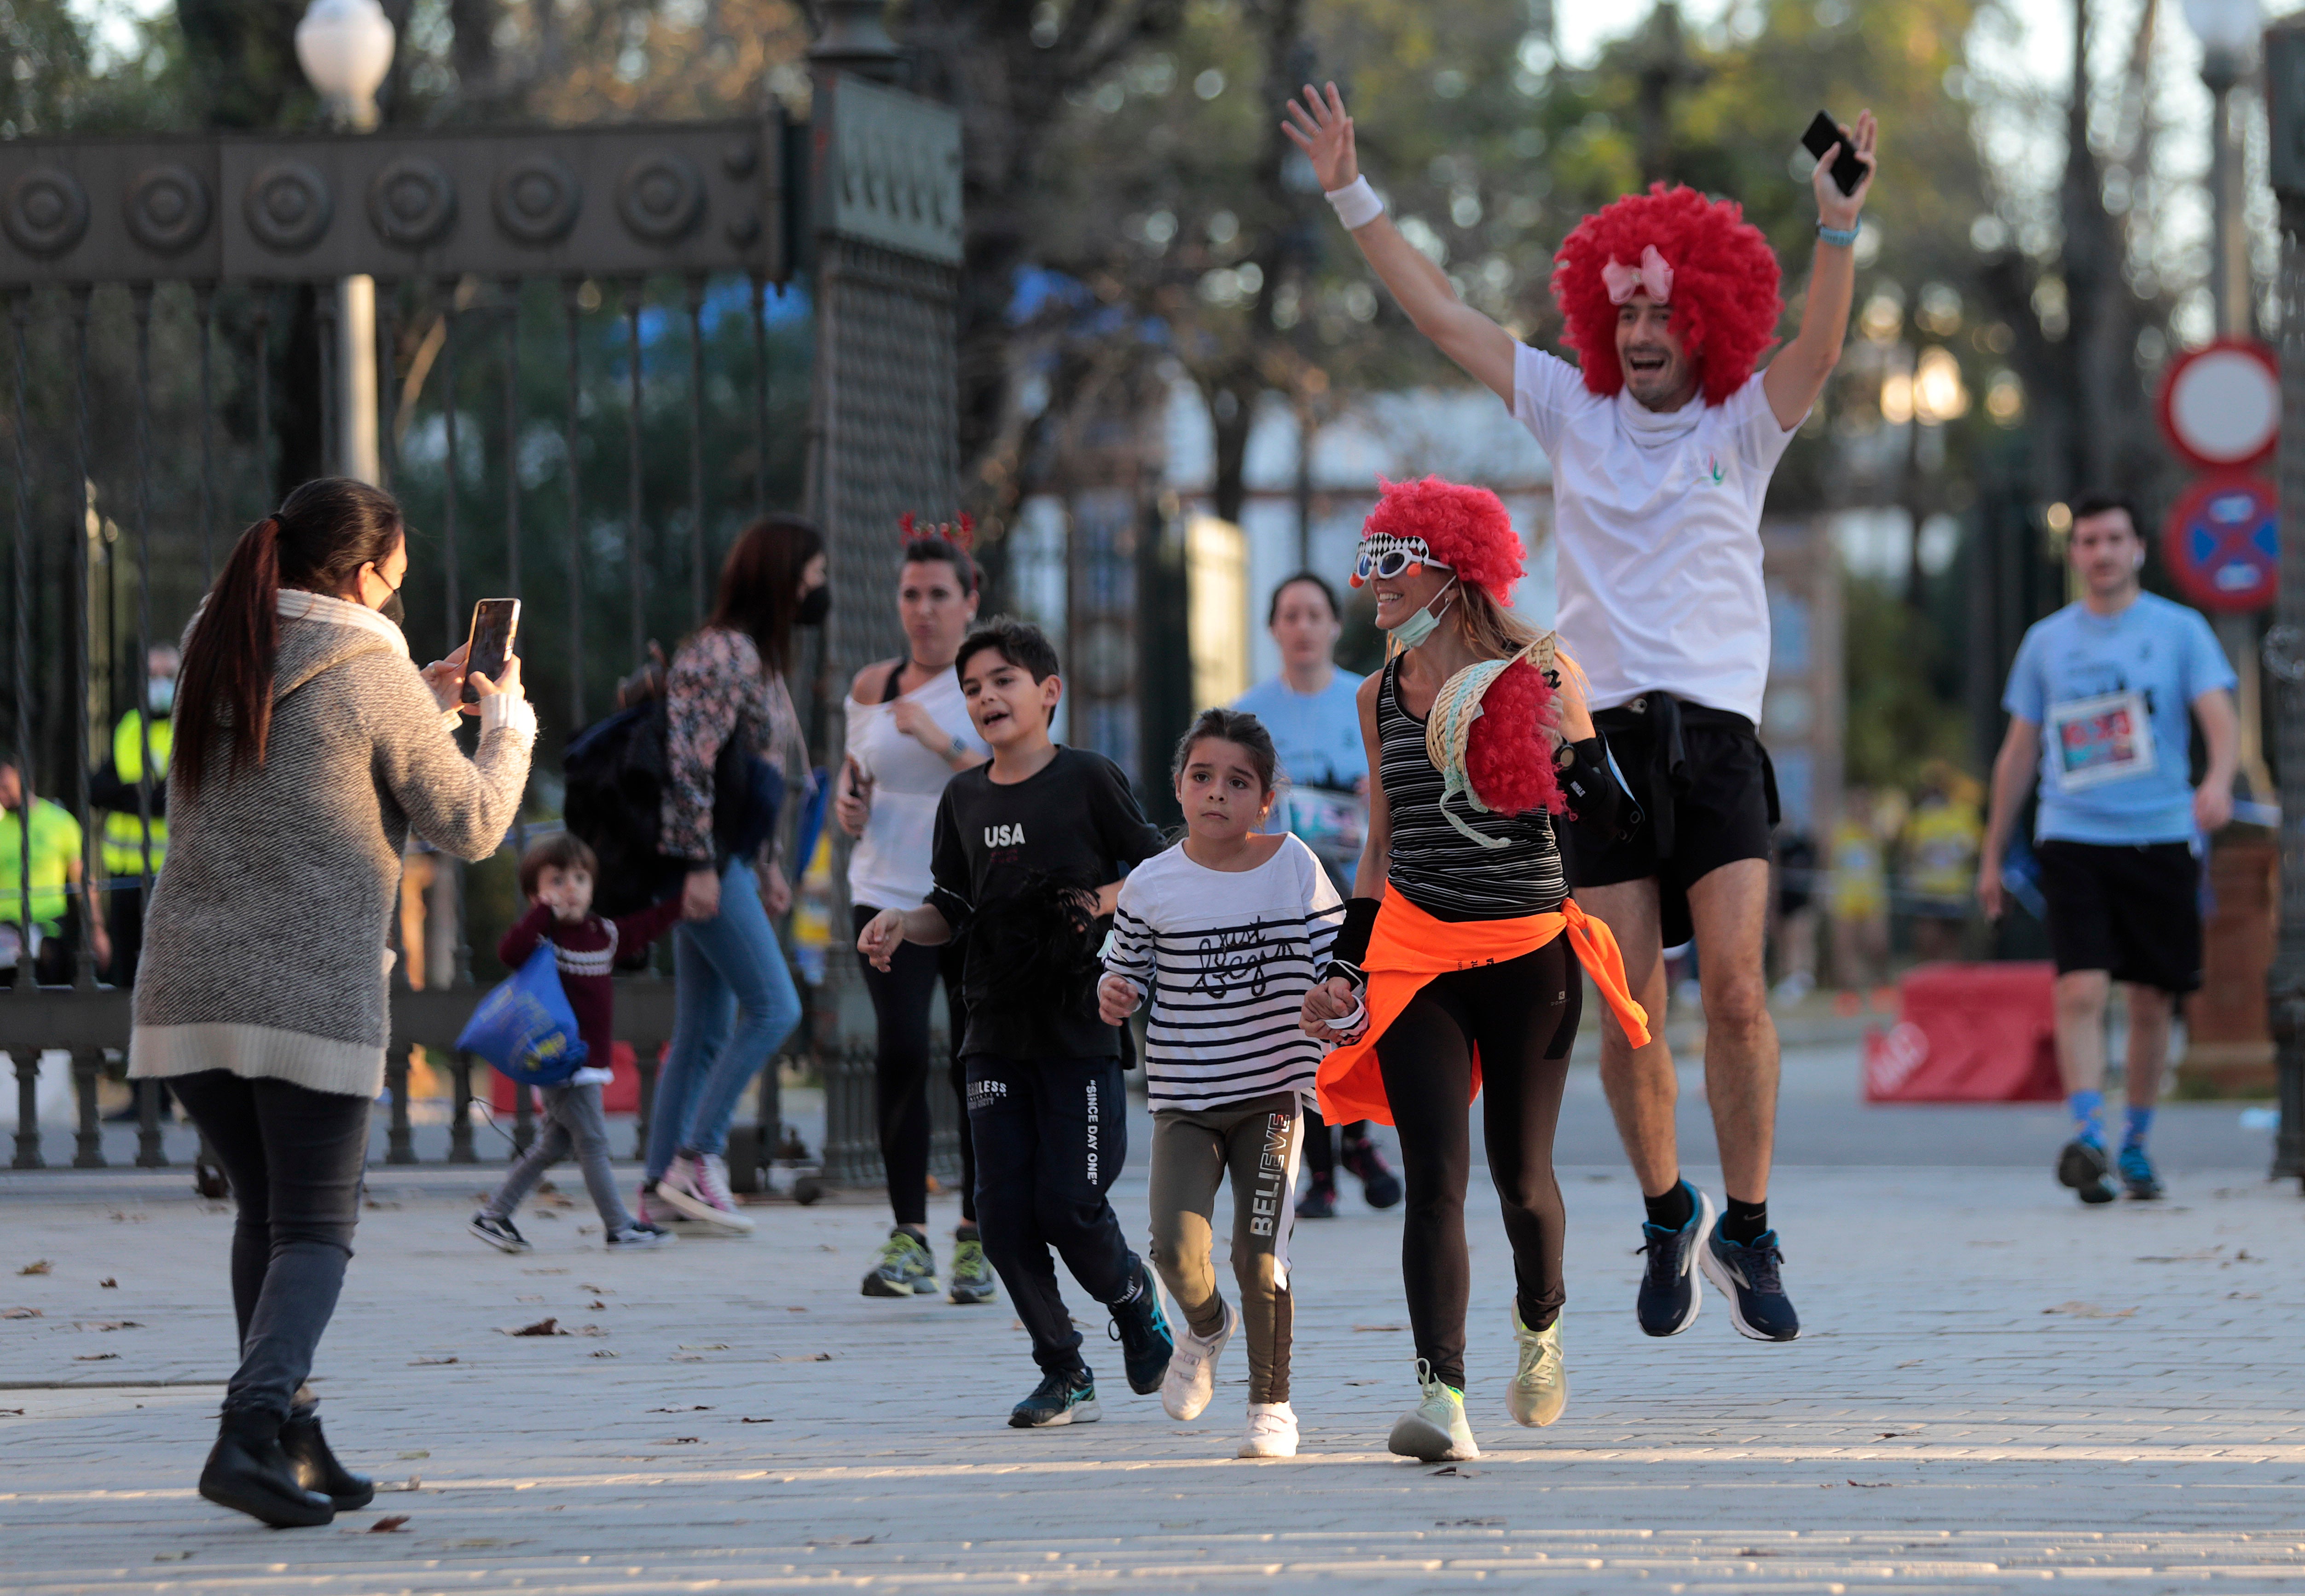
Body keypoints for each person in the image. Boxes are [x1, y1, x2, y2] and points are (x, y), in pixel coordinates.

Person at [1286, 84, 1879, 1344]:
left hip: (1716, 738)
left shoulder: (1743, 425)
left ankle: (1750, 1223)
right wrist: (1351, 188)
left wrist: (1835, 229)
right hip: (1592, 740)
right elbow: (1443, 314)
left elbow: (1822, 354)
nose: (1649, 326)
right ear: (1607, 318)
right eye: (1631, 309)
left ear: (1708, 316)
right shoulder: (1571, 409)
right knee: (1627, 1006)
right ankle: (1669, 1209)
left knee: (1734, 993)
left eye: (1670, 309)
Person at [125, 478, 533, 1528]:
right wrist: (508, 726)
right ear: (362, 577)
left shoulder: (218, 636)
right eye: (396, 584)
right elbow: (473, 822)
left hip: (187, 986)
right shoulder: (376, 668)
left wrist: (423, 699)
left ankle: (293, 1437)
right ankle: (248, 1427)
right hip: (305, 991)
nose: (398, 604)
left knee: (266, 1211)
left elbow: (311, 752)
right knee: (316, 1227)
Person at [1297, 477, 1651, 1463]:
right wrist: (1343, 967)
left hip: (1528, 952)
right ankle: (1440, 1398)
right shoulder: (1377, 697)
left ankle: (1539, 1327)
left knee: (1520, 1181)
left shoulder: (1540, 677)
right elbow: (1377, 848)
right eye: (1367, 560)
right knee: (1434, 1181)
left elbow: (1613, 826)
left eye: (1390, 563)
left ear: (1450, 577)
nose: (1372, 584)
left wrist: (1573, 762)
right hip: (1416, 951)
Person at [856, 618, 1175, 1429]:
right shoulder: (961, 798)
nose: (985, 697)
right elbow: (949, 908)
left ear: (1047, 692)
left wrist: (1089, 903)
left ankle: (1133, 1297)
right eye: (970, 687)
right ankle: (1063, 1368)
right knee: (999, 1215)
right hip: (991, 1030)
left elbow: (1155, 867)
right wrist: (901, 921)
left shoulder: (1088, 779)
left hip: (1078, 1030)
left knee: (1069, 1201)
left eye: (1002, 680)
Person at [1978, 496, 2237, 1205]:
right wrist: (1992, 852)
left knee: (2153, 999)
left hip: (2159, 834)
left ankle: (2136, 1144)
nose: (2101, 552)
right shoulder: (2047, 642)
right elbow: (2019, 751)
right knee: (2082, 986)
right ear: (2076, 553)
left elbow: (2220, 718)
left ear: (2139, 548)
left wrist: (2216, 782)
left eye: (2114, 539)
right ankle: (2089, 1135)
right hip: (2074, 834)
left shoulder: (2180, 631)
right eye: (2088, 540)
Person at [1100, 708, 1341, 1460]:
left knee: (1259, 1252)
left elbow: (1341, 970)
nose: (1216, 793)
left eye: (1237, 782)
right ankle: (1205, 1325)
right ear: (1177, 787)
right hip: (1185, 1103)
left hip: (1273, 1095)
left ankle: (1270, 1404)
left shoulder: (1294, 866)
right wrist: (1113, 993)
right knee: (1174, 1250)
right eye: (1201, 777)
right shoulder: (1148, 883)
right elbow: (1123, 970)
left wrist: (1337, 1007)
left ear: (1266, 798)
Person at [638, 515, 817, 1237]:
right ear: (782, 578)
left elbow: (757, 777)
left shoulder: (759, 659)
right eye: (815, 576)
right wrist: (702, 867)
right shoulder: (721, 655)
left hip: (730, 859)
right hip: (703, 861)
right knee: (776, 1007)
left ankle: (658, 1192)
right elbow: (691, 765)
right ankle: (697, 1156)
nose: (819, 590)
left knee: (706, 1026)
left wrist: (768, 863)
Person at [834, 515, 996, 1302]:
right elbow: (856, 769)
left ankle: (976, 1234)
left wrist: (939, 735)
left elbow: (1011, 772)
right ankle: (908, 1235)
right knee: (900, 1050)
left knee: (974, 1059)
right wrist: (847, 800)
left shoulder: (988, 686)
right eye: (910, 594)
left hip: (969, 896)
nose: (923, 609)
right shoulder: (873, 685)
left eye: (939, 594)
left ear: (970, 600)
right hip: (885, 889)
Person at [1231, 572, 1401, 1220]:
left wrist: (1371, 791)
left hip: (1362, 887)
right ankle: (1325, 1169)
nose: (1302, 627)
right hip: (1282, 893)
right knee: (1303, 1028)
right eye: (1289, 615)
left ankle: (1356, 1141)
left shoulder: (1366, 700)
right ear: (1273, 628)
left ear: (1334, 625)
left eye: (1314, 614)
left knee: (1360, 1019)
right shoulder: (1249, 714)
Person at [469, 834, 685, 1253]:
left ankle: (494, 1214)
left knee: (553, 1145)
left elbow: (643, 929)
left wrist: (680, 906)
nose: (572, 888)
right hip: (562, 1061)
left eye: (581, 879)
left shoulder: (603, 934)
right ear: (536, 893)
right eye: (558, 881)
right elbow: (508, 952)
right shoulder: (544, 938)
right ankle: (619, 1226)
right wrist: (541, 915)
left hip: (590, 1061)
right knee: (594, 1143)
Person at [90, 642, 178, 985]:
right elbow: (97, 789)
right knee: (126, 966)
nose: (159, 683)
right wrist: (141, 794)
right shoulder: (129, 725)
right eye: (152, 675)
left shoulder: (187, 727)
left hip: (170, 870)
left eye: (168, 675)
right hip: (124, 870)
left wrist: (129, 793)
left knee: (167, 963)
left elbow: (167, 799)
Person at [0, 759, 109, 986]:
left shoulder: (59, 823)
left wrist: (97, 930)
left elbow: (82, 879)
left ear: (26, 782)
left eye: (5, 788)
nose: (1, 795)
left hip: (48, 929)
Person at [1901, 763, 1981, 963]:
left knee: (1952, 944)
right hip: (1927, 891)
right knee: (1927, 941)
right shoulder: (1920, 816)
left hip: (1955, 893)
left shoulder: (1965, 814)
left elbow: (1976, 848)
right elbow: (1908, 851)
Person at [1827, 791, 1890, 992]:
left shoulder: (1874, 832)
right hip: (1845, 899)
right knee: (1846, 948)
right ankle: (1848, 991)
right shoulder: (1839, 833)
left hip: (1873, 899)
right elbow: (1827, 863)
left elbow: (1890, 838)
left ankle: (1881, 984)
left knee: (1877, 944)